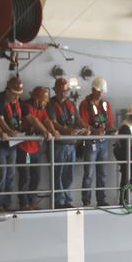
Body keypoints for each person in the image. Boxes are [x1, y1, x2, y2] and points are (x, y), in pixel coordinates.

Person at [0, 75, 27, 211]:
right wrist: (9, 131)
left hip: (12, 145)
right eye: (14, 95)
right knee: (1, 175)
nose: (16, 98)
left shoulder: (17, 102)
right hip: (0, 145)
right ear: (8, 91)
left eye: (18, 95)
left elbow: (28, 117)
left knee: (10, 174)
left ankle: (7, 203)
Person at [46, 76, 84, 208]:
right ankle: (59, 201)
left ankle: (67, 199)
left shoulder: (71, 103)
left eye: (65, 90)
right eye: (60, 90)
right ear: (55, 90)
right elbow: (53, 123)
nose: (63, 93)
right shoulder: (50, 104)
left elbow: (78, 119)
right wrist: (68, 131)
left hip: (71, 146)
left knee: (68, 175)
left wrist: (86, 128)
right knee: (58, 174)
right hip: (58, 146)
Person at [79, 76, 114, 207]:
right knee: (89, 172)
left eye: (102, 91)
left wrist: (112, 130)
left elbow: (109, 122)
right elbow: (83, 123)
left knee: (102, 173)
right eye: (98, 91)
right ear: (93, 89)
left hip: (104, 142)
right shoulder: (84, 104)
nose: (100, 93)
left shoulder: (105, 104)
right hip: (91, 142)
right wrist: (95, 131)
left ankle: (101, 199)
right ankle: (86, 201)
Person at [20, 85, 55, 209]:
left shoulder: (41, 108)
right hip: (24, 148)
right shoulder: (26, 106)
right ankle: (24, 203)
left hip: (35, 149)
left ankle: (31, 201)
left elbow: (46, 120)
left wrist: (53, 131)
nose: (44, 104)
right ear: (36, 99)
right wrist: (46, 132)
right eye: (43, 101)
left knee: (36, 177)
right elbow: (33, 120)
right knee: (25, 177)